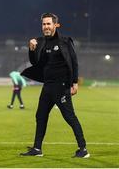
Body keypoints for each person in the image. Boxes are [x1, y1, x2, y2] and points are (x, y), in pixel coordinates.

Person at [20, 13, 90, 158]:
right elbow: (34, 62)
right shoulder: (40, 42)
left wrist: (75, 83)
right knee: (40, 116)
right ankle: (37, 149)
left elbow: (74, 61)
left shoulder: (65, 41)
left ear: (56, 25)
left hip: (62, 86)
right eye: (43, 24)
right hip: (48, 87)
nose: (45, 27)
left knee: (70, 117)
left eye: (48, 24)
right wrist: (31, 49)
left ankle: (83, 149)